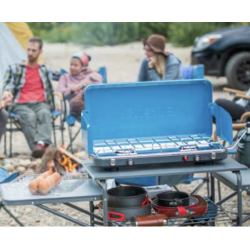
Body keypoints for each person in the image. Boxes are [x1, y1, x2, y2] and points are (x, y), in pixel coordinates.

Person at [2, 37, 58, 158]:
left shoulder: (45, 69)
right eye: (28, 50)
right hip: (20, 104)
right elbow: (7, 84)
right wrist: (7, 92)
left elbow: (64, 76)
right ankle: (39, 148)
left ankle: (40, 145)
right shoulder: (15, 68)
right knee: (29, 116)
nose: (30, 53)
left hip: (40, 103)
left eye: (33, 50)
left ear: (40, 51)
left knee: (44, 113)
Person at [57, 53, 102, 119]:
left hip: (91, 103)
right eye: (71, 64)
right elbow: (60, 91)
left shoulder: (92, 75)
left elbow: (99, 87)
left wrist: (88, 86)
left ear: (83, 67)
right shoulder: (65, 77)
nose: (72, 67)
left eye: (75, 65)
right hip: (75, 106)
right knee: (80, 98)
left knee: (89, 89)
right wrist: (71, 89)